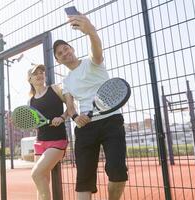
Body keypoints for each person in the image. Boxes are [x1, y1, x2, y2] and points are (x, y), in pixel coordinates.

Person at [53, 13, 128, 200]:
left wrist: (91, 31)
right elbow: (70, 107)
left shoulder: (93, 62)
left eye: (65, 49)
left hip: (112, 121)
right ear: (58, 60)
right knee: (84, 178)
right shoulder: (67, 82)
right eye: (60, 53)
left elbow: (97, 49)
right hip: (85, 128)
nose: (64, 53)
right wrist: (75, 117)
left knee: (117, 172)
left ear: (72, 48)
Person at [27, 64, 68, 200]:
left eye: (41, 72)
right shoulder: (30, 101)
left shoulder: (55, 89)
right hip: (40, 142)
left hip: (57, 141)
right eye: (35, 74)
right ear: (30, 79)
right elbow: (33, 123)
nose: (39, 75)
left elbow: (71, 106)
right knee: (42, 181)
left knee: (36, 174)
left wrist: (62, 117)